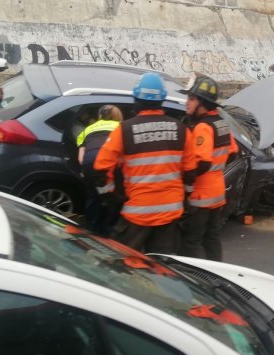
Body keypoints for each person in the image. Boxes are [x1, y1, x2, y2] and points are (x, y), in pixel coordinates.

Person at [93, 73, 191, 254]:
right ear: (161, 100)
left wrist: (111, 197)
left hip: (137, 213)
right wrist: (184, 198)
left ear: (137, 100)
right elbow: (191, 171)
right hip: (170, 214)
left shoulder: (124, 130)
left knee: (123, 264)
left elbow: (100, 169)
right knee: (163, 268)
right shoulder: (181, 130)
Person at [178, 75, 238, 261]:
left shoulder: (202, 128)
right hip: (217, 194)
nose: (187, 102)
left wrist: (186, 182)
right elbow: (233, 152)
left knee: (191, 242)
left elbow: (202, 162)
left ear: (202, 103)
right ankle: (216, 274)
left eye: (192, 98)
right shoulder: (221, 123)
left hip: (200, 197)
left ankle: (191, 281)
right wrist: (216, 170)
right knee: (212, 240)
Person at [77, 105, 123, 235]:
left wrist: (87, 171)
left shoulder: (88, 129)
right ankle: (108, 233)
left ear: (100, 116)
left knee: (93, 197)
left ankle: (92, 231)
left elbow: (81, 157)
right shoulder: (121, 126)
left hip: (89, 163)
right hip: (109, 164)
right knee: (113, 197)